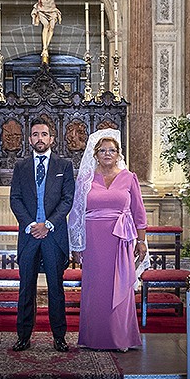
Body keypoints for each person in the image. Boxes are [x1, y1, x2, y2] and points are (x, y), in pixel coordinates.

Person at [68, 130, 147, 351]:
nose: (107, 154)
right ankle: (94, 337)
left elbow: (138, 212)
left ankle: (121, 337)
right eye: (102, 150)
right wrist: (76, 244)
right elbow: (76, 212)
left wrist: (141, 242)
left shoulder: (129, 177)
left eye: (111, 150)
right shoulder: (85, 179)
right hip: (93, 240)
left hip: (120, 240)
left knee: (119, 285)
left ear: (118, 153)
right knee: (96, 288)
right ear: (95, 154)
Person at [9, 116, 76, 351]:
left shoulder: (64, 166)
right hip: (29, 236)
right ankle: (23, 336)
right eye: (36, 134)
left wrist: (47, 224)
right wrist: (30, 225)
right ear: (29, 139)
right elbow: (15, 199)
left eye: (44, 134)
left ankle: (59, 336)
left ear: (52, 139)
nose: (40, 138)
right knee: (26, 288)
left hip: (53, 236)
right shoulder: (21, 166)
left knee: (55, 288)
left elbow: (68, 200)